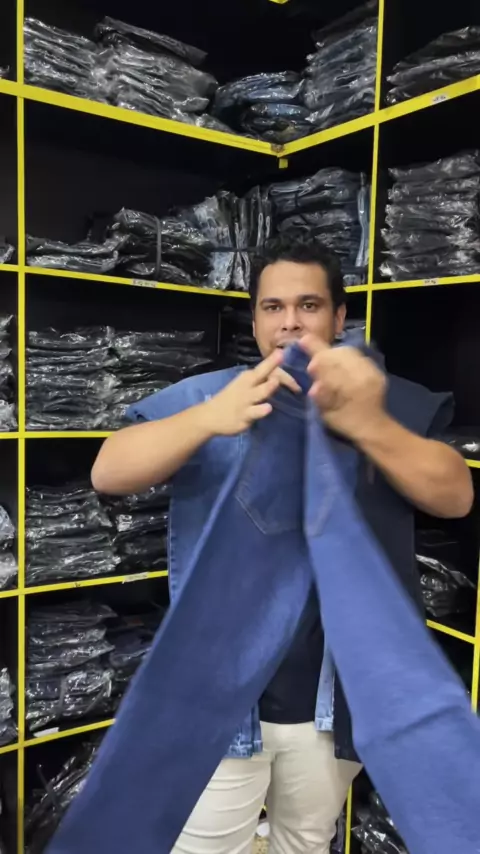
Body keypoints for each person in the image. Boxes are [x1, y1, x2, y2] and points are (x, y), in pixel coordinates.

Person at [92, 235, 473, 854]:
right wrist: (210, 419)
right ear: (255, 320)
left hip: (333, 704)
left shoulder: (385, 401)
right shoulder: (211, 395)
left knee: (306, 842)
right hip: (219, 700)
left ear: (339, 317)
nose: (290, 322)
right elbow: (109, 471)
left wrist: (368, 425)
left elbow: (455, 495)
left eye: (308, 305)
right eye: (273, 307)